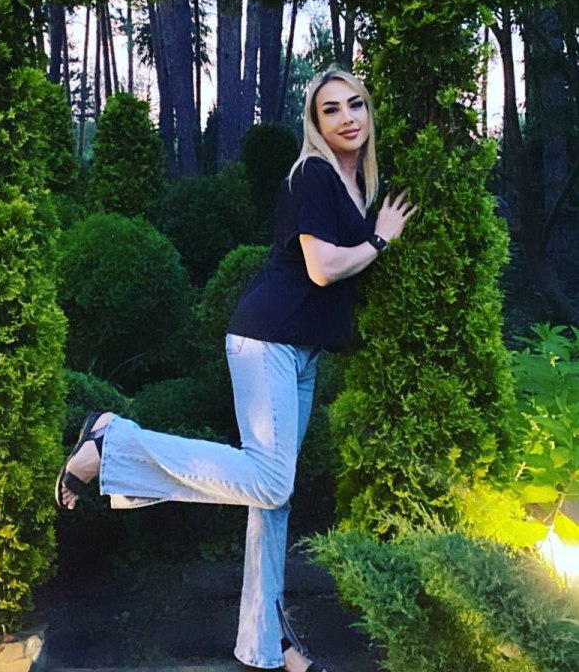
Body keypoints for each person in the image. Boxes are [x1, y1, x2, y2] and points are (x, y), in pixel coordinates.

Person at [55, 68, 416, 672]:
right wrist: (380, 240)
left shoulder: (356, 184)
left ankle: (267, 644)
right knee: (271, 483)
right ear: (315, 124)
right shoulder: (312, 174)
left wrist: (372, 232)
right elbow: (323, 268)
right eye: (330, 109)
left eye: (355, 104)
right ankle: (112, 440)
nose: (347, 117)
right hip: (266, 340)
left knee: (272, 502)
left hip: (300, 351)